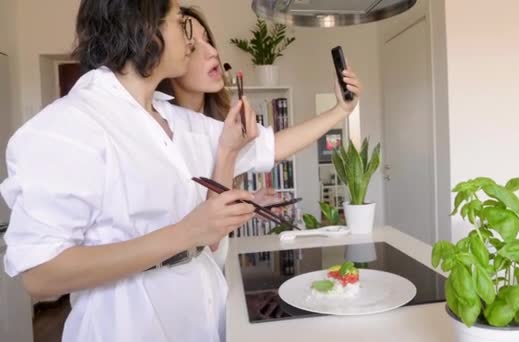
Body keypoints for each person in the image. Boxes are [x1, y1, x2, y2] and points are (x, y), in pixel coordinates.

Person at [0, 2, 362, 342]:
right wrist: (189, 231)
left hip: (204, 309)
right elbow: (41, 274)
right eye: (181, 23)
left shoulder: (179, 121)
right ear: (144, 27)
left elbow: (270, 146)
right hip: (126, 326)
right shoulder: (67, 126)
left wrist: (339, 111)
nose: (190, 39)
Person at [158, 6, 363, 268]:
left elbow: (275, 145)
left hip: (216, 275)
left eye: (208, 40)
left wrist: (341, 109)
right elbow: (204, 235)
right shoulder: (162, 126)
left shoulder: (219, 128)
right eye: (193, 46)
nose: (212, 52)